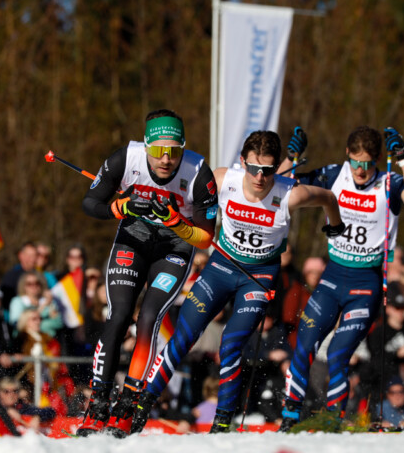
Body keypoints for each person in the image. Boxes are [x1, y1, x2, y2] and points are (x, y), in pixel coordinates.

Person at [129, 130, 344, 436]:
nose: (259, 177)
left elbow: (328, 198)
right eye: (254, 168)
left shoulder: (290, 193)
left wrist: (334, 227)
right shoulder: (222, 178)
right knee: (182, 338)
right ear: (242, 161)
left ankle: (222, 423)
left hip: (257, 278)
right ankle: (142, 406)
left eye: (268, 171)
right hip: (221, 267)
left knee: (231, 345)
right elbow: (178, 189)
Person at [76, 109, 219, 436]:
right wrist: (121, 207)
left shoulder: (199, 173)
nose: (166, 159)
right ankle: (98, 402)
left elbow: (206, 236)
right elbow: (90, 202)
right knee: (119, 315)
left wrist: (176, 223)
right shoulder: (127, 158)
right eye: (157, 151)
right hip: (133, 241)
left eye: (174, 151)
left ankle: (127, 405)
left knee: (149, 318)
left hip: (175, 249)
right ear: (146, 146)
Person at [277, 125, 404, 431]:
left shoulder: (388, 182)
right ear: (347, 156)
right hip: (332, 278)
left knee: (338, 354)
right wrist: (292, 156)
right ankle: (290, 416)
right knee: (304, 345)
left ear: (377, 161)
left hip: (365, 284)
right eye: (356, 162)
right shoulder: (335, 174)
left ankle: (333, 420)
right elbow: (281, 186)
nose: (361, 170)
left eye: (368, 163)